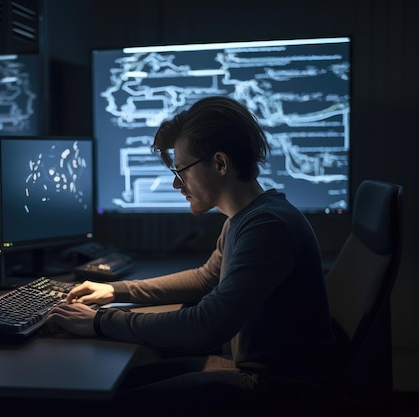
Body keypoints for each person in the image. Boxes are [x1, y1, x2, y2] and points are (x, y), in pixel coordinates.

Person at [44, 96, 337, 416]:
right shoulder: (247, 217)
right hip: (256, 375)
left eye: (181, 170)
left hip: (278, 391)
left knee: (101, 405)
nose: (175, 183)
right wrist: (117, 291)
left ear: (220, 163)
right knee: (110, 388)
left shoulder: (267, 226)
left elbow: (205, 327)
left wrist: (101, 321)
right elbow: (205, 278)